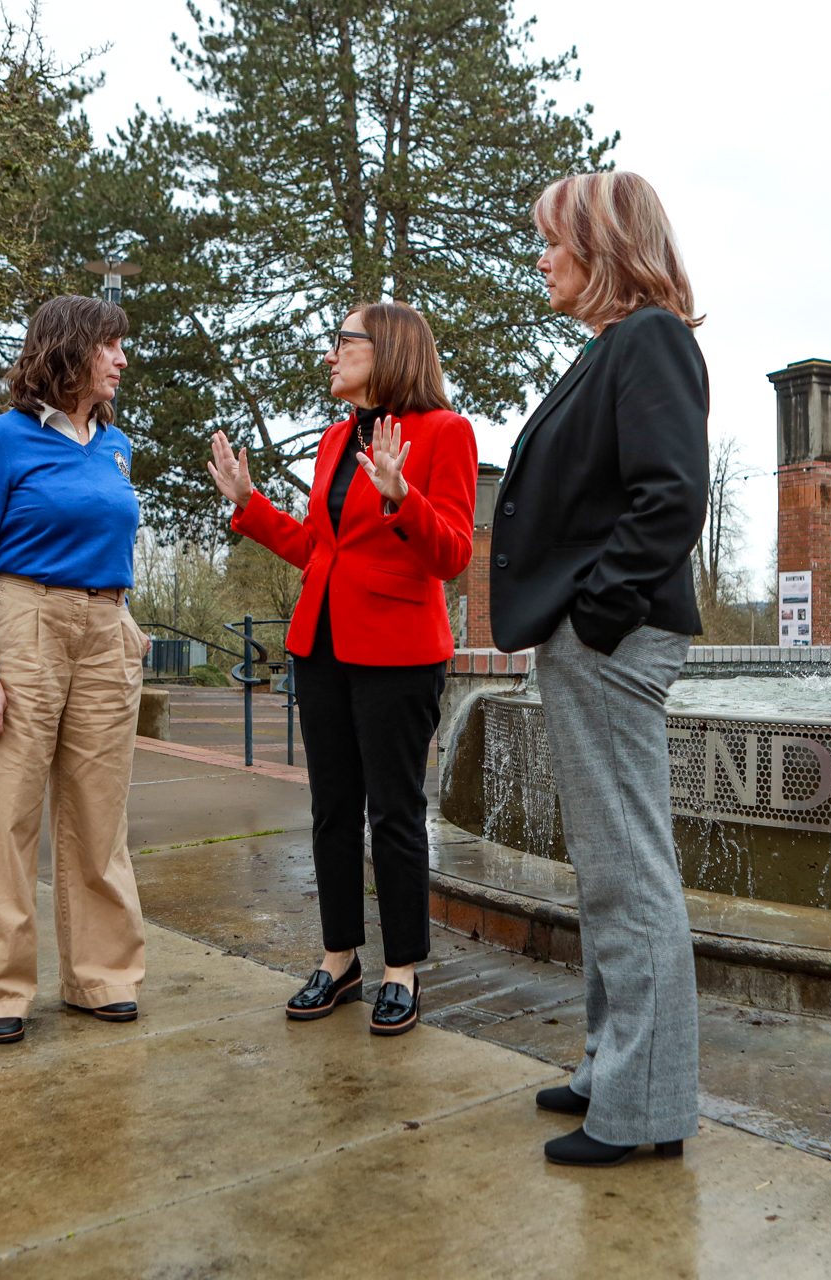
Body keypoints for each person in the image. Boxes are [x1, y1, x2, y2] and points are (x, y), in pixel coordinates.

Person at [488, 172, 709, 1166]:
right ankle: (612, 1065)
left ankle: (641, 1107)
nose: (539, 257)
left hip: (609, 639)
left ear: (604, 247)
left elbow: (671, 495)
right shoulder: (615, 348)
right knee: (609, 870)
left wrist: (596, 611)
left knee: (629, 876)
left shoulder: (650, 338)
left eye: (551, 240)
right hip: (592, 636)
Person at [206, 302, 476, 1036]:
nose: (330, 356)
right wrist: (249, 504)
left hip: (398, 652)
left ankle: (401, 969)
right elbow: (321, 552)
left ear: (386, 349)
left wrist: (401, 495)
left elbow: (452, 554)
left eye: (342, 342)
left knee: (394, 812)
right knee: (330, 810)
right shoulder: (333, 441)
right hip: (320, 648)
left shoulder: (443, 432)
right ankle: (339, 959)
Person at [0, 295, 153, 1044]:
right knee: (6, 812)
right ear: (70, 351)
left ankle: (102, 977)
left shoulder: (116, 445)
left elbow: (112, 537)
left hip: (104, 625)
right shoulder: (0, 440)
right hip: (22, 618)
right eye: (110, 346)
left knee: (101, 813)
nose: (122, 360)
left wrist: (122, 621)